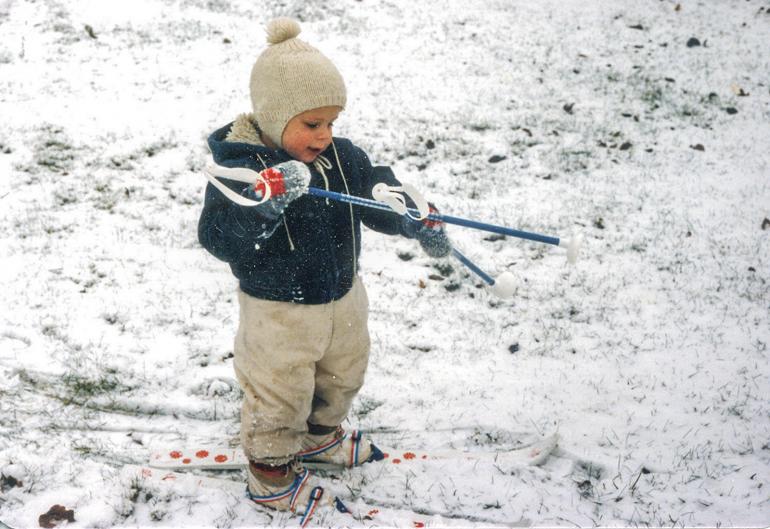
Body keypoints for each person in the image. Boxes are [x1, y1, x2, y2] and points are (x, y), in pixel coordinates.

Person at [197, 17, 451, 517]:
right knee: (279, 394)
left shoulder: (342, 158)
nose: (324, 135)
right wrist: (264, 205)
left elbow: (377, 196)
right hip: (278, 314)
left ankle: (319, 438)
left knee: (343, 376)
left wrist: (410, 217)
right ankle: (271, 475)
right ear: (274, 115)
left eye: (330, 122)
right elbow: (218, 239)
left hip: (343, 299)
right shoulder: (242, 171)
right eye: (311, 124)